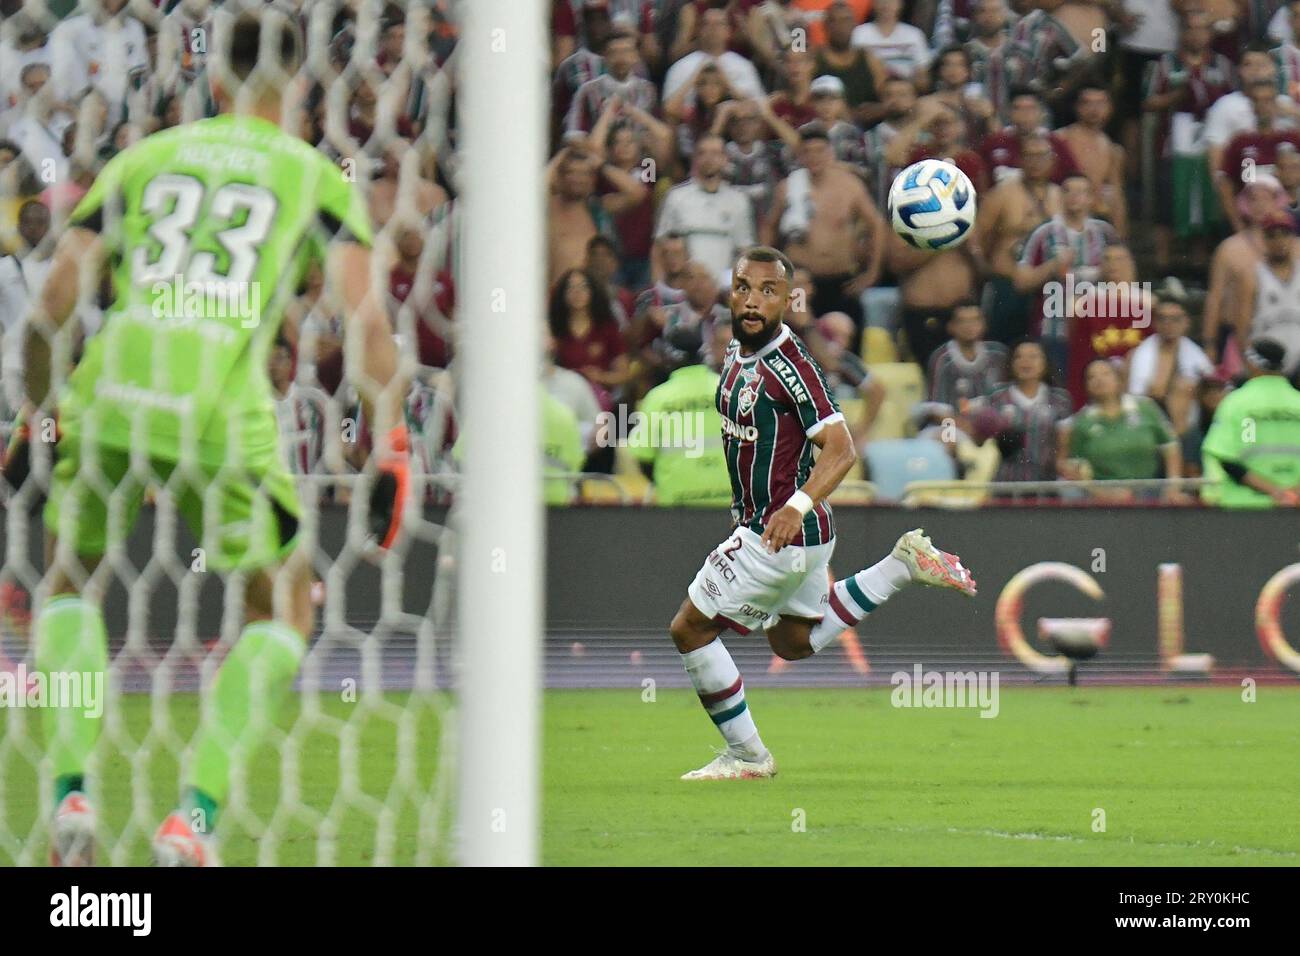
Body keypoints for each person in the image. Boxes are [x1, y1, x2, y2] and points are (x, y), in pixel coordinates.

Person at [15, 11, 407, 867]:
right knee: (284, 607)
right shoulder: (311, 174)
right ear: (303, 86)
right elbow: (366, 320)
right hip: (221, 409)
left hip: (110, 388)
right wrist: (393, 440)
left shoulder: (145, 156)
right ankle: (191, 822)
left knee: (69, 582)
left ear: (215, 81)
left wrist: (38, 416)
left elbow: (51, 310)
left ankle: (71, 797)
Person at [669, 245, 976, 781]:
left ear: (789, 301)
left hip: (779, 531)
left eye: (769, 291)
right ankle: (899, 566)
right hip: (802, 533)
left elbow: (841, 449)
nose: (753, 300)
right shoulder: (737, 354)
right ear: (731, 292)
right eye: (744, 287)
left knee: (689, 629)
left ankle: (748, 758)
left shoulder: (793, 368)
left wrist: (793, 506)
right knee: (793, 642)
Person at [764, 125, 885, 350]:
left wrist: (872, 273)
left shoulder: (850, 185)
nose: (814, 157)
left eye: (820, 150)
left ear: (830, 152)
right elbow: (770, 226)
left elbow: (877, 224)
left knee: (846, 342)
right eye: (808, 151)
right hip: (799, 281)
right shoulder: (788, 187)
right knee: (796, 339)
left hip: (841, 280)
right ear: (799, 155)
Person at [630, 324, 731, 506]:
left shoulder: (658, 398)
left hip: (678, 502)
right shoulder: (728, 390)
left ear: (668, 357)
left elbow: (643, 456)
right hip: (729, 498)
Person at [1060, 360, 1184, 502]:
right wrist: (1105, 494)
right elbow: (1076, 469)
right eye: (1091, 377)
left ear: (1119, 379)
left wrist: (1173, 487)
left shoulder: (1146, 407)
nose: (1099, 379)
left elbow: (1170, 446)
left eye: (1106, 374)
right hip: (1102, 499)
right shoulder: (1082, 422)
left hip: (1150, 491)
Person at [1201, 337, 1300, 508]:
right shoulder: (1297, 402)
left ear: (1252, 363)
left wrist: (1274, 492)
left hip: (1246, 505)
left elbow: (1226, 459)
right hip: (1294, 505)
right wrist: (1292, 493)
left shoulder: (1236, 403)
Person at [654, 133, 755, 286]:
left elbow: (744, 251)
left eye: (715, 153)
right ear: (695, 159)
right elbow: (659, 247)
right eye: (702, 153)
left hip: (723, 290)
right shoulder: (676, 197)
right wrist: (660, 290)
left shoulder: (739, 201)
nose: (709, 158)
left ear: (725, 159)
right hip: (683, 288)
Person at [974, 339, 1074, 483]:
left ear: (1045, 363)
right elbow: (978, 437)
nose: (1025, 362)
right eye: (1019, 357)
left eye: (1033, 356)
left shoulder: (1060, 399)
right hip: (1001, 482)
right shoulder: (995, 396)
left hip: (1046, 484)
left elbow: (1063, 444)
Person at [1233, 208, 1300, 377]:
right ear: (1263, 239)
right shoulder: (1252, 276)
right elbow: (1242, 327)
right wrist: (1250, 363)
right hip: (1266, 364)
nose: (1279, 240)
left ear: (1293, 237)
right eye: (1272, 235)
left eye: (1285, 233)